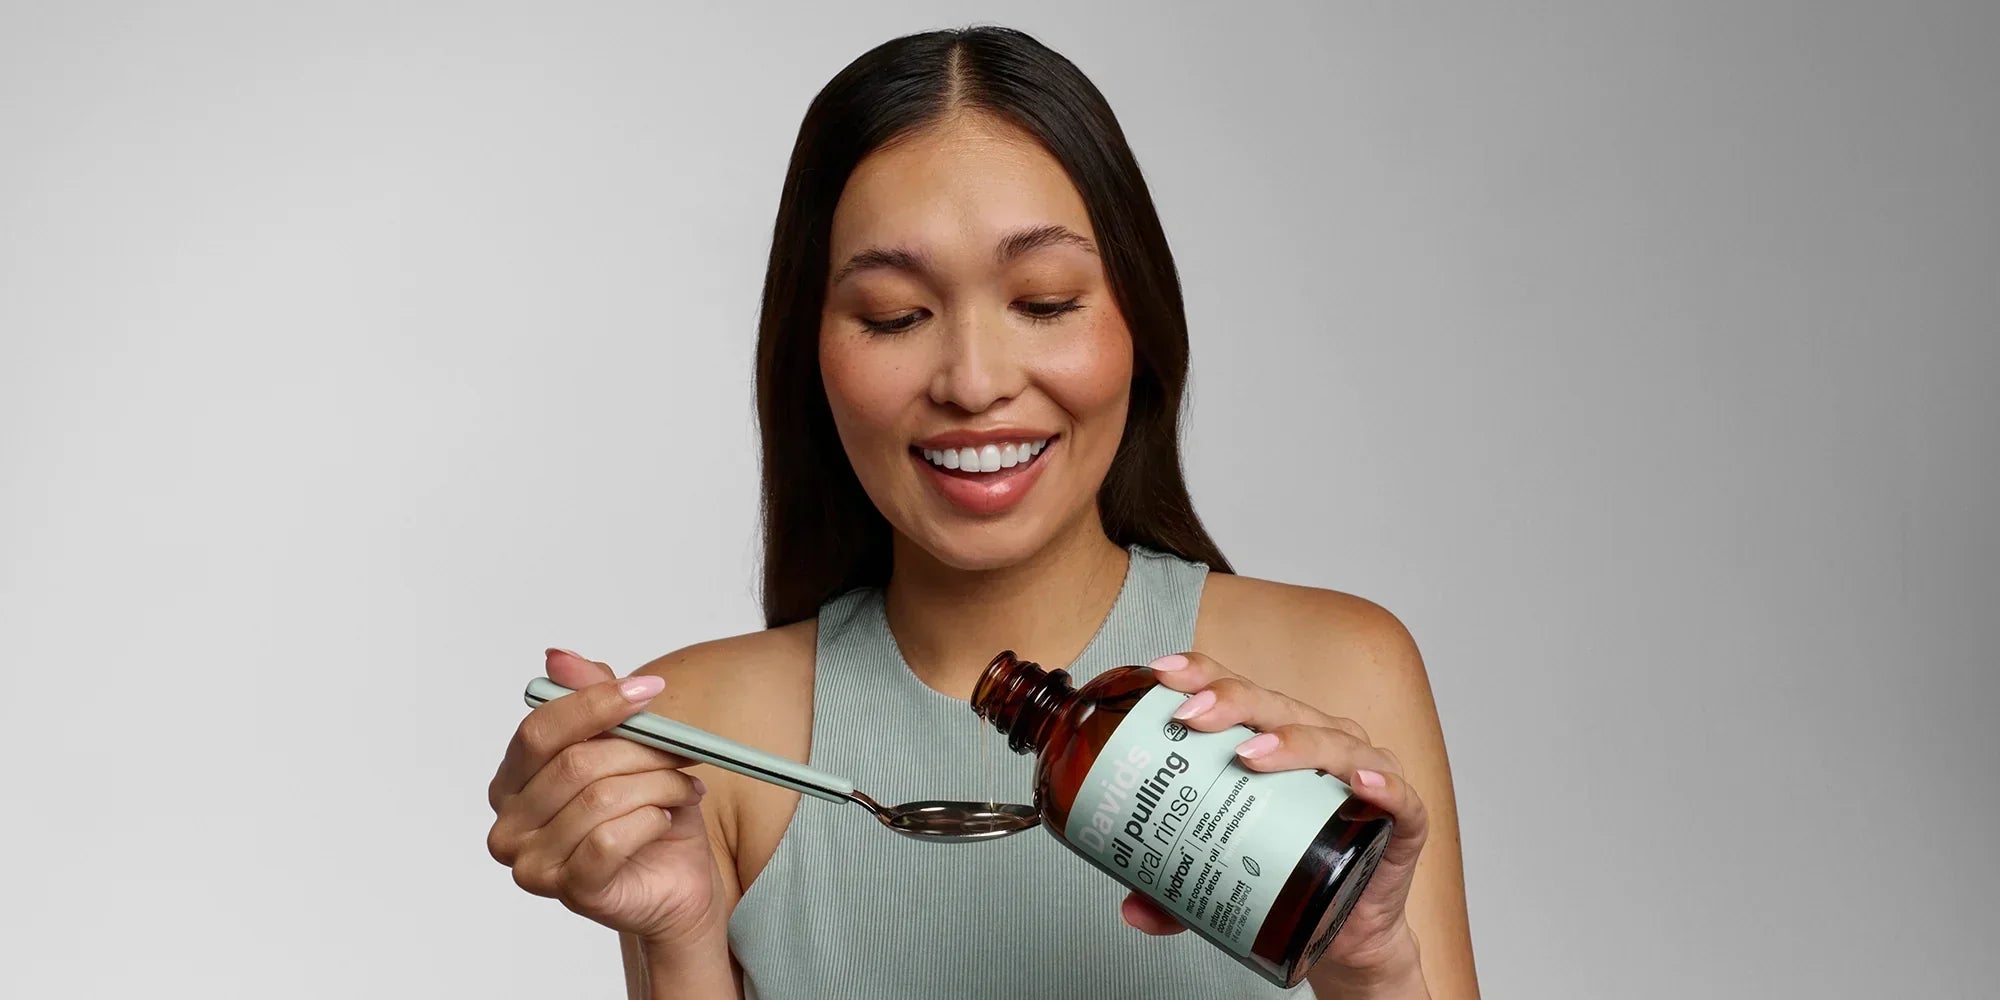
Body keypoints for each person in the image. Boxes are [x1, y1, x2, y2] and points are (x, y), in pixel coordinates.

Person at [485, 25, 1476, 1000]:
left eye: (1043, 301)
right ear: (811, 356)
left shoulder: (1339, 669)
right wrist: (677, 938)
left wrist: (1373, 970)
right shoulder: (709, 735)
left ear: (1139, 323)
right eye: (893, 316)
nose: (972, 382)